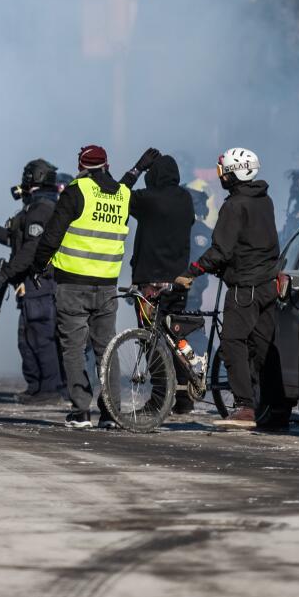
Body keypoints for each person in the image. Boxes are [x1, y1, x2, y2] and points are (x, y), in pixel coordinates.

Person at [0, 144, 127, 429]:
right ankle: (111, 413)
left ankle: (81, 411)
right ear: (107, 164)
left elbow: (51, 237)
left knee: (74, 348)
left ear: (81, 164)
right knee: (107, 348)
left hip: (73, 284)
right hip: (107, 284)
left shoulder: (76, 191)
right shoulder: (121, 195)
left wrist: (41, 265)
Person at [174, 147, 279, 430]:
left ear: (232, 175)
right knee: (262, 347)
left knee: (233, 342)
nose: (220, 177)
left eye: (223, 171)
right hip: (269, 286)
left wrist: (192, 272)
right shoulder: (264, 200)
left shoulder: (234, 206)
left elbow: (221, 250)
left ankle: (244, 407)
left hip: (245, 288)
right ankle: (272, 407)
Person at [0, 158, 64, 404]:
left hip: (40, 284)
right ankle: (36, 386)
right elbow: (15, 240)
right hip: (29, 285)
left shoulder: (42, 210)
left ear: (35, 178)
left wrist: (4, 275)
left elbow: (31, 249)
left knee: (41, 337)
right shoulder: (33, 208)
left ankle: (49, 389)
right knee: (27, 338)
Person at [124, 147, 196, 414]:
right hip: (178, 282)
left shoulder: (148, 200)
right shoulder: (185, 199)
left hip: (149, 284)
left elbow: (117, 195)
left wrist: (137, 167)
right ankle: (185, 392)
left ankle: (157, 400)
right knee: (175, 337)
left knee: (150, 340)